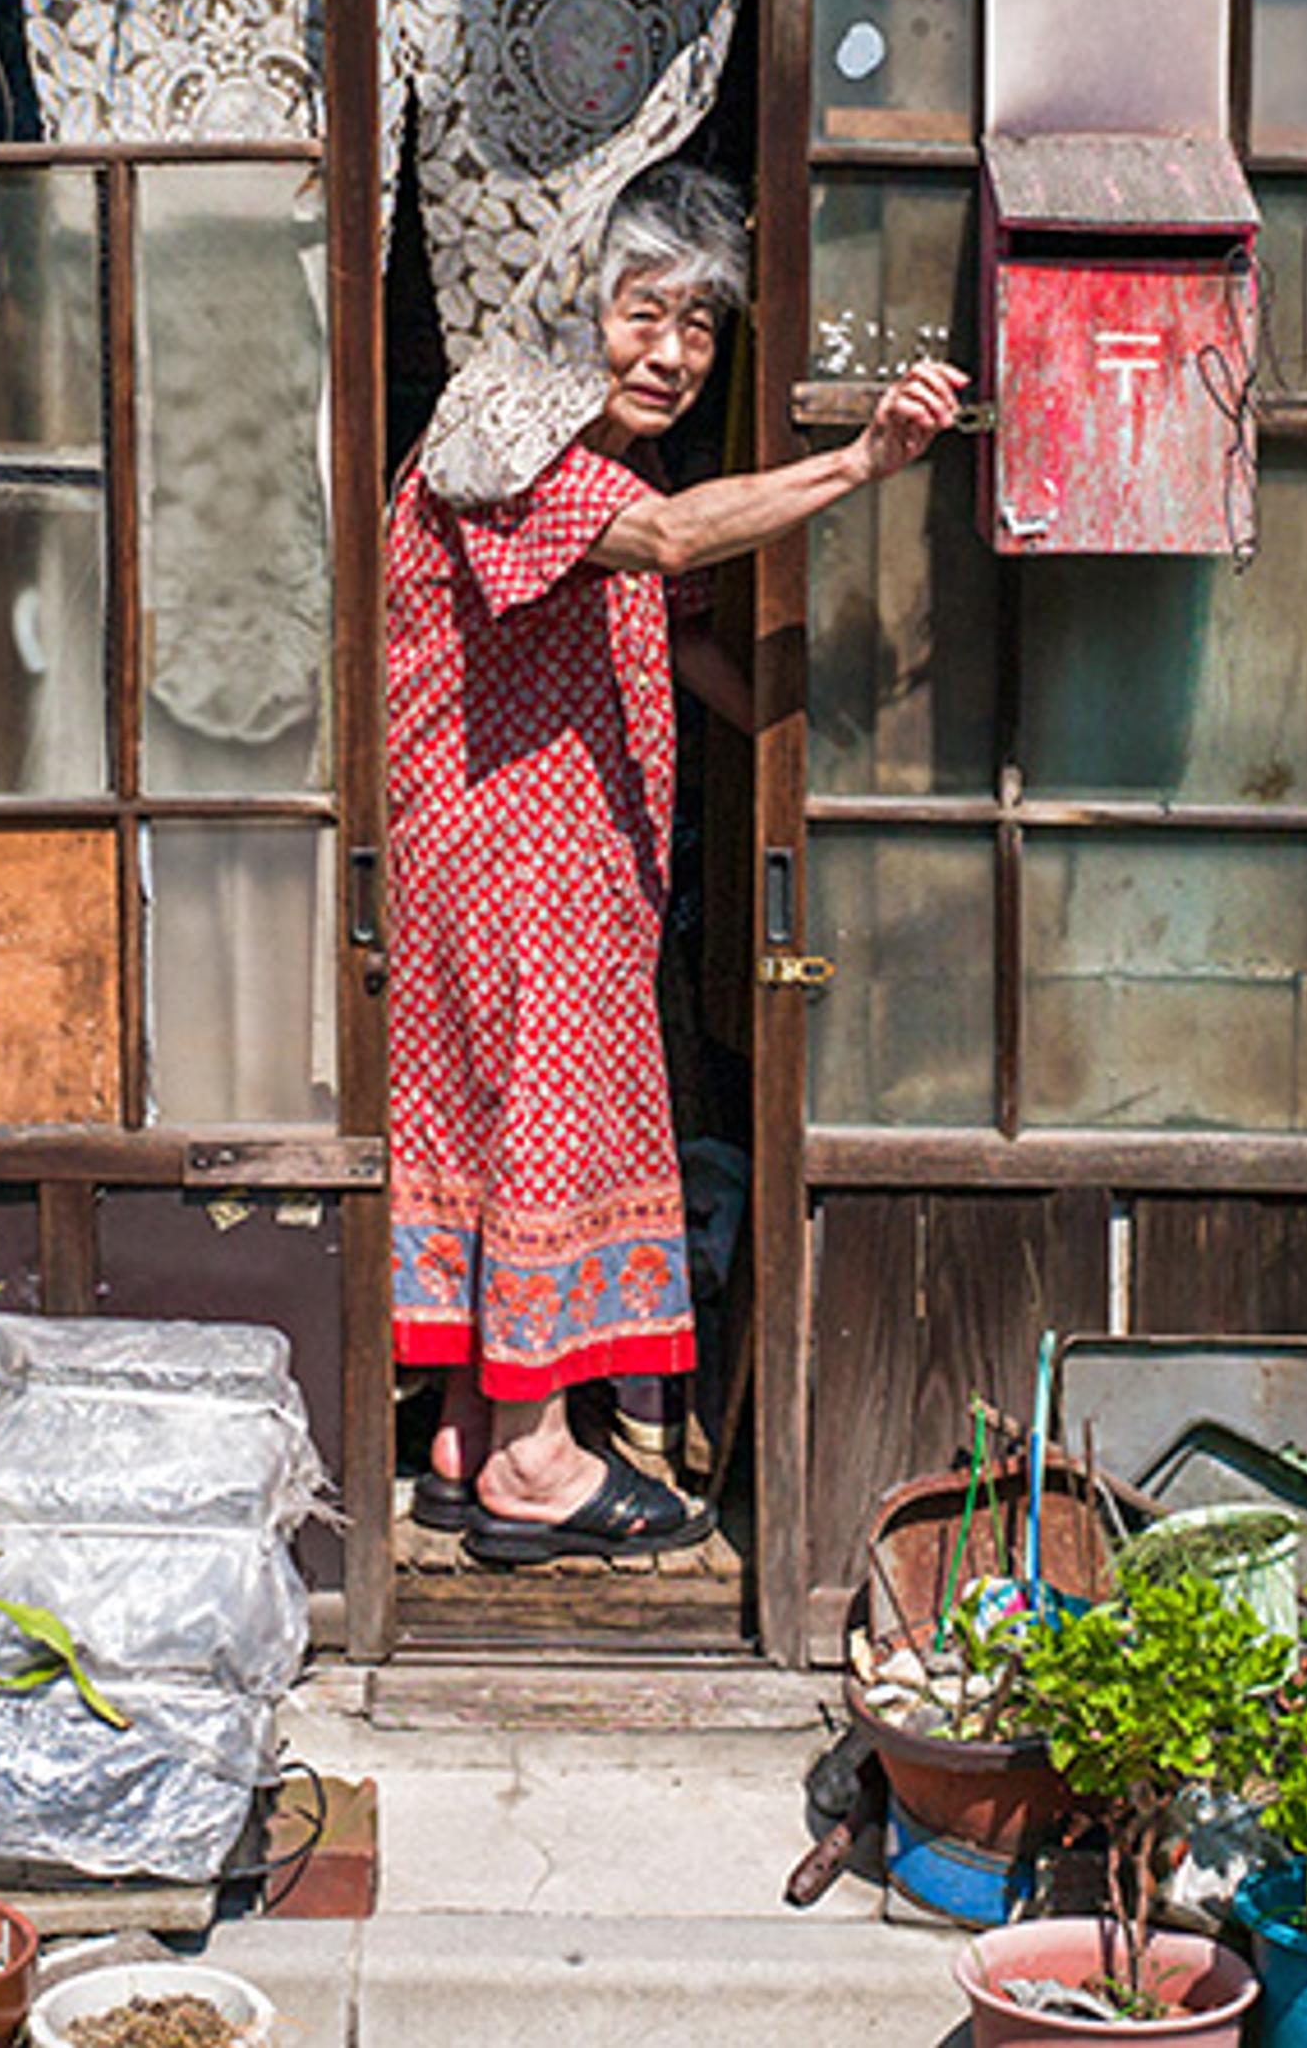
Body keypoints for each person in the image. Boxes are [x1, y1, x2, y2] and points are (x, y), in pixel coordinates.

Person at [384, 162, 964, 1566]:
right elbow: (668, 538)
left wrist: (864, 753)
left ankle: (471, 1432)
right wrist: (860, 463)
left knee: (501, 1130)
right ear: (574, 305)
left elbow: (691, 643)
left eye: (702, 327)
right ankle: (534, 1464)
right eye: (645, 314)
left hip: (564, 872)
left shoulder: (599, 459)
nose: (675, 356)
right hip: (511, 873)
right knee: (538, 1129)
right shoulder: (499, 436)